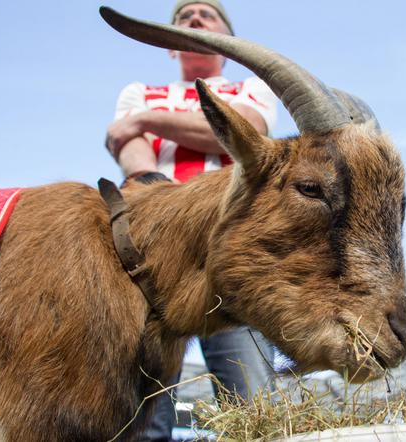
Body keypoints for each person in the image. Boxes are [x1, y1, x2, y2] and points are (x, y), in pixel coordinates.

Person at [105, 1, 277, 440]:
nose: (195, 19)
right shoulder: (138, 91)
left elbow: (248, 130)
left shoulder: (250, 88)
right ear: (168, 47)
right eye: (184, 17)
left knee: (251, 399)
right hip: (154, 252)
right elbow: (126, 150)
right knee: (142, 410)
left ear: (227, 42)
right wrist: (158, 191)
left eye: (207, 15)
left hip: (236, 249)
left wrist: (144, 120)